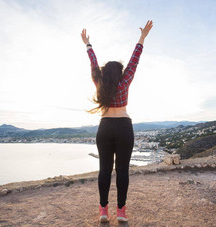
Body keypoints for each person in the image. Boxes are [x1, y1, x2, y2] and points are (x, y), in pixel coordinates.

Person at [81, 20, 153, 223]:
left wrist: (88, 44)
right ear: (119, 74)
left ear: (105, 73)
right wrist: (142, 38)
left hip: (104, 128)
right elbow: (134, 60)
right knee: (122, 170)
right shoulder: (124, 82)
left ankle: (103, 210)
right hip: (123, 127)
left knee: (104, 170)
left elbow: (93, 63)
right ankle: (120, 211)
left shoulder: (99, 82)